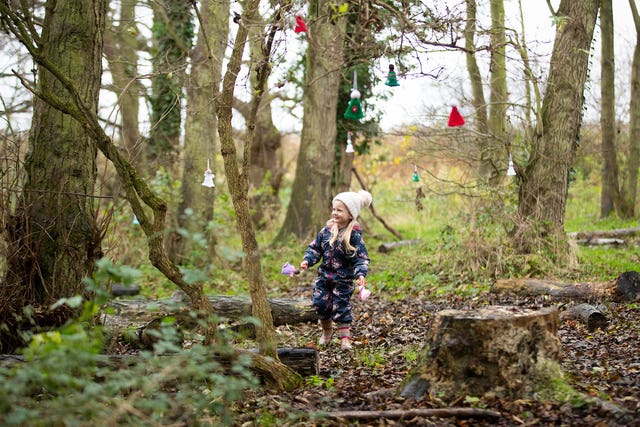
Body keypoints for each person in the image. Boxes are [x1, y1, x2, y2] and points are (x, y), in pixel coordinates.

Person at [300, 190, 372, 350]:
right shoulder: (326, 231)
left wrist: (360, 274)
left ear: (350, 214)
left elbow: (361, 258)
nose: (334, 212)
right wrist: (307, 260)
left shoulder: (354, 236)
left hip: (343, 280)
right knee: (320, 305)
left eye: (339, 210)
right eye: (334, 209)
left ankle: (345, 339)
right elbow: (315, 248)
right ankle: (326, 332)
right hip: (324, 278)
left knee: (341, 307)